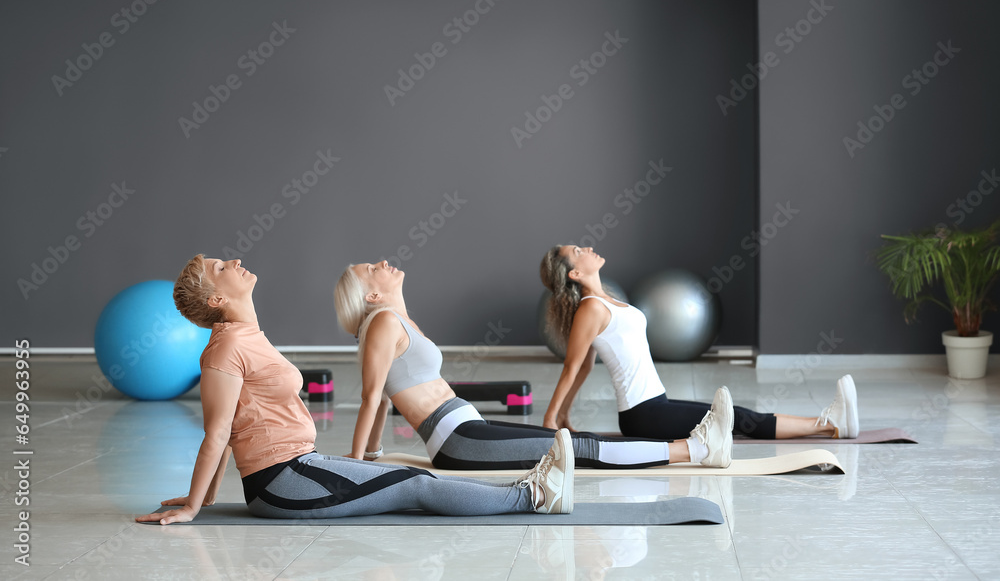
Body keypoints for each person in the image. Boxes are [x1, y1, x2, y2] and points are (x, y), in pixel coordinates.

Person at [136, 256, 575, 525]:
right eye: (219, 268)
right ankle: (534, 495)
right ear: (216, 300)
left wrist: (210, 495)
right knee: (413, 484)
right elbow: (217, 431)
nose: (232, 262)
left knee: (412, 481)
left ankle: (528, 490)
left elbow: (231, 427)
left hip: (297, 466)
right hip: (281, 481)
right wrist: (195, 504)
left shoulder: (247, 335)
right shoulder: (225, 347)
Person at [333, 261, 734, 472]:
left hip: (470, 429)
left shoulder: (398, 323)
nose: (382, 262)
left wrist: (373, 454)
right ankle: (696, 450)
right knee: (580, 449)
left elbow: (383, 395)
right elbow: (371, 398)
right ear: (371, 294)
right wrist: (355, 468)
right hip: (458, 440)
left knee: (570, 441)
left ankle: (696, 446)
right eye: (371, 268)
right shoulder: (383, 323)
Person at [539, 245, 860, 441]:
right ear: (575, 274)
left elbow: (585, 368)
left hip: (655, 404)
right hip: (642, 415)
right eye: (578, 252)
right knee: (737, 418)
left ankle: (830, 423)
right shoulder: (591, 308)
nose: (587, 249)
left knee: (736, 415)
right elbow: (573, 367)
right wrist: (551, 420)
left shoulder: (605, 301)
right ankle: (830, 423)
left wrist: (566, 417)